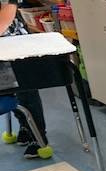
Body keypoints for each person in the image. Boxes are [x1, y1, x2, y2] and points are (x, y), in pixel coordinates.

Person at [0, 0, 49, 158]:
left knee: (25, 91)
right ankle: (26, 126)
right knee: (9, 90)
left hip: (15, 43)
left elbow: (3, 21)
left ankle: (38, 136)